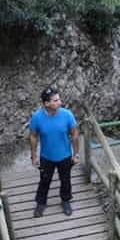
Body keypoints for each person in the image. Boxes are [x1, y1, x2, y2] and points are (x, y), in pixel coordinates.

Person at [29, 86, 80, 218]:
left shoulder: (67, 115)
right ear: (47, 103)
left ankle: (65, 201)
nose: (60, 102)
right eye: (55, 100)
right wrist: (34, 156)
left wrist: (75, 154)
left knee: (66, 180)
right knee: (44, 180)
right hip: (46, 156)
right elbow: (33, 136)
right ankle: (41, 203)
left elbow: (75, 134)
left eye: (59, 99)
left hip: (65, 155)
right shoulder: (37, 117)